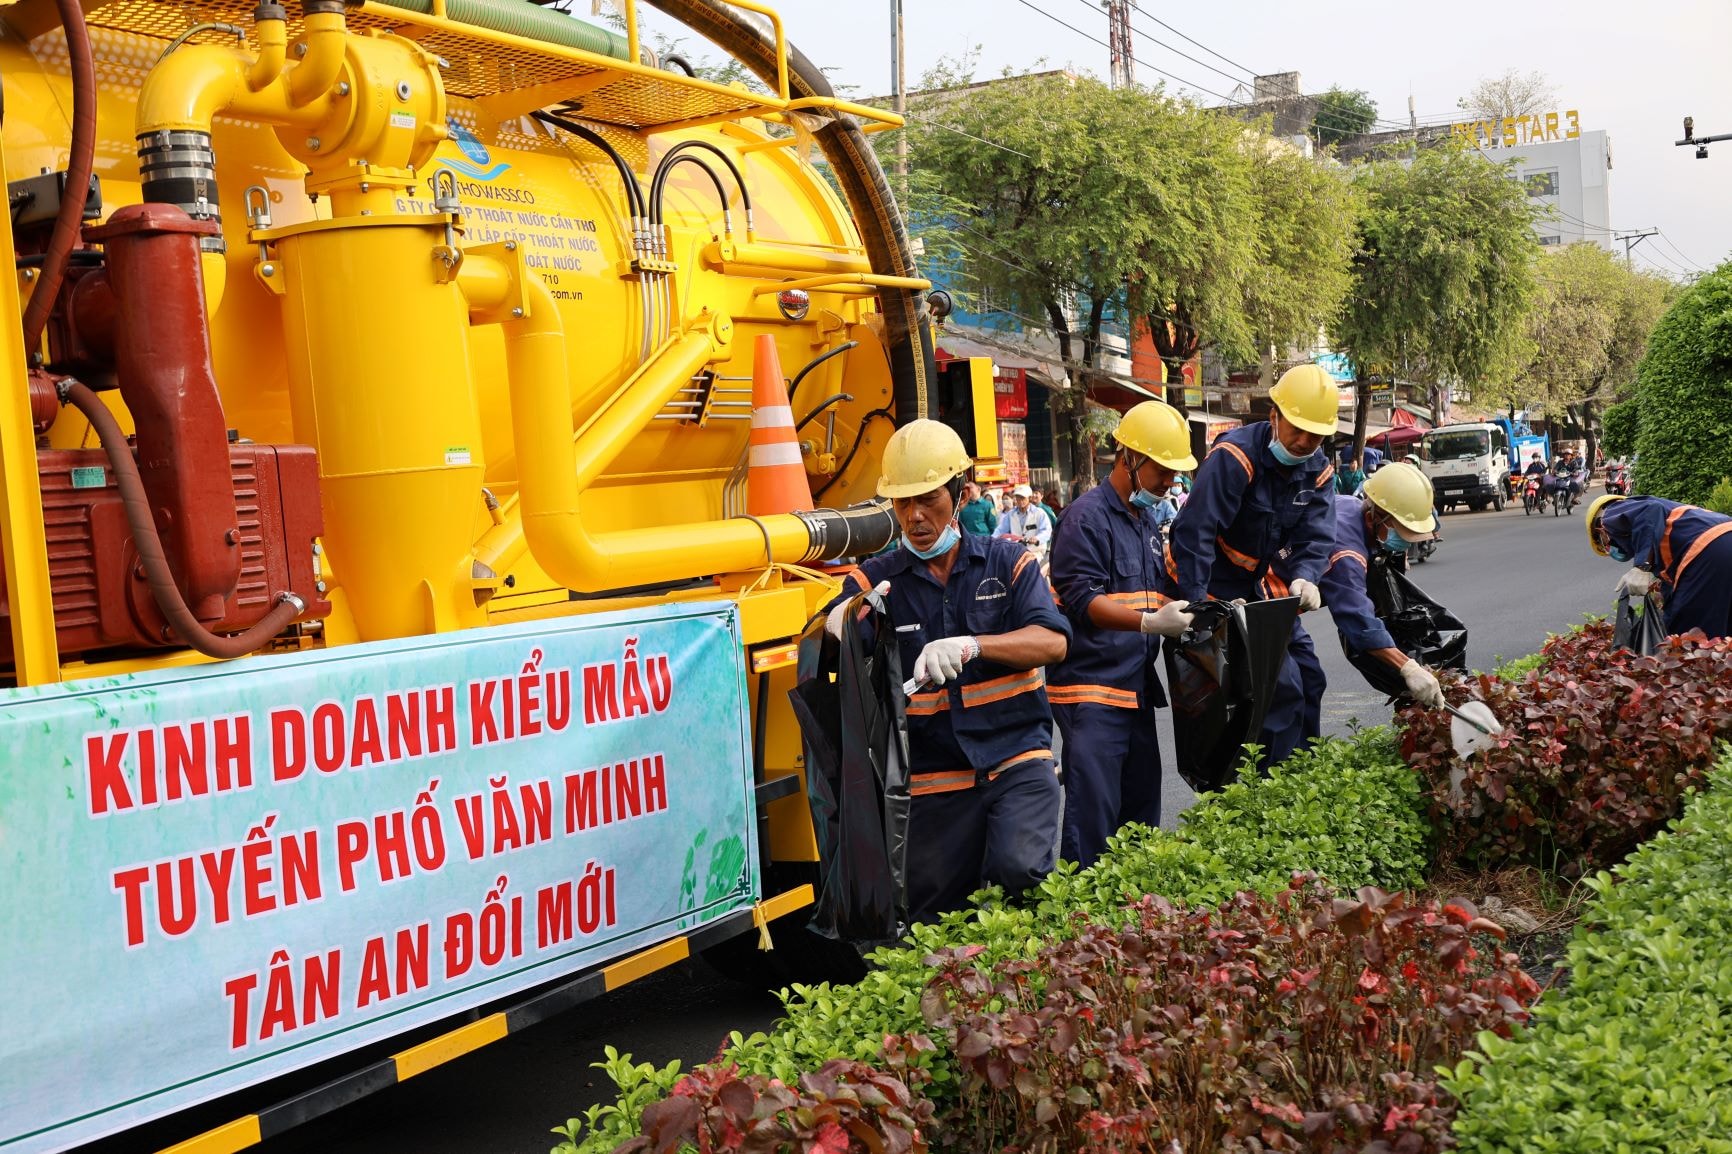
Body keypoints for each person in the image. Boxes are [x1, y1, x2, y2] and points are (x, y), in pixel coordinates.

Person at [824, 420, 1071, 921]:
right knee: (934, 918)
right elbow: (831, 640)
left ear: (958, 494)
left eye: (928, 499)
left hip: (1016, 758)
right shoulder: (878, 580)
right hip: (934, 779)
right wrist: (839, 623)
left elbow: (1054, 642)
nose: (914, 516)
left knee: (1020, 872)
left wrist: (974, 645)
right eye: (902, 503)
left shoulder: (1008, 563)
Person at [1162, 363, 1338, 768]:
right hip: (1208, 578)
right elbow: (1195, 533)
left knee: (1310, 676)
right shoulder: (1235, 457)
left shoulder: (1318, 471)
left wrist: (1307, 577)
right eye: (1297, 429)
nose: (1304, 442)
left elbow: (1316, 538)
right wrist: (1200, 607)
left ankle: (1306, 775)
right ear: (1274, 416)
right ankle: (1270, 783)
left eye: (1315, 435)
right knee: (1278, 686)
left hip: (1254, 584)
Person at [1048, 401, 1196, 866]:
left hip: (1133, 690)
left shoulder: (1144, 520)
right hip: (1091, 691)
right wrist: (1148, 623)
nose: (1170, 481)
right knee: (1094, 820)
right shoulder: (1084, 519)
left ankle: (1136, 906)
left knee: (1140, 813)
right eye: (1162, 470)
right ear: (1129, 458)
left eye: (1175, 472)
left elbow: (1155, 590)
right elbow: (1083, 600)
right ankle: (1084, 910)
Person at [1313, 462, 1448, 705]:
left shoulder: (1352, 506)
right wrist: (1408, 667)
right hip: (1263, 599)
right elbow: (1358, 621)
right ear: (1373, 518)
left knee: (1307, 681)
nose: (1406, 542)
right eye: (1401, 532)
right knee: (1294, 687)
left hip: (1280, 604)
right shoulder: (1347, 553)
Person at [1587, 495, 1732, 639]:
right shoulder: (1662, 539)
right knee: (1723, 634)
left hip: (1710, 549)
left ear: (1600, 530)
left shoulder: (1612, 512)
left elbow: (1651, 510)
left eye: (1604, 544)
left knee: (1687, 636)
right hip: (1723, 539)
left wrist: (1642, 566)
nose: (1609, 548)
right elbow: (1673, 592)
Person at [995, 484, 1053, 552]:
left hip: (1035, 552)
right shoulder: (1010, 514)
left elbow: (1047, 530)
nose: (1020, 500)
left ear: (1029, 498)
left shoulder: (1039, 513)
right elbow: (1000, 530)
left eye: (1022, 497)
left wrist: (1037, 538)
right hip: (1016, 552)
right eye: (1018, 497)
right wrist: (992, 540)